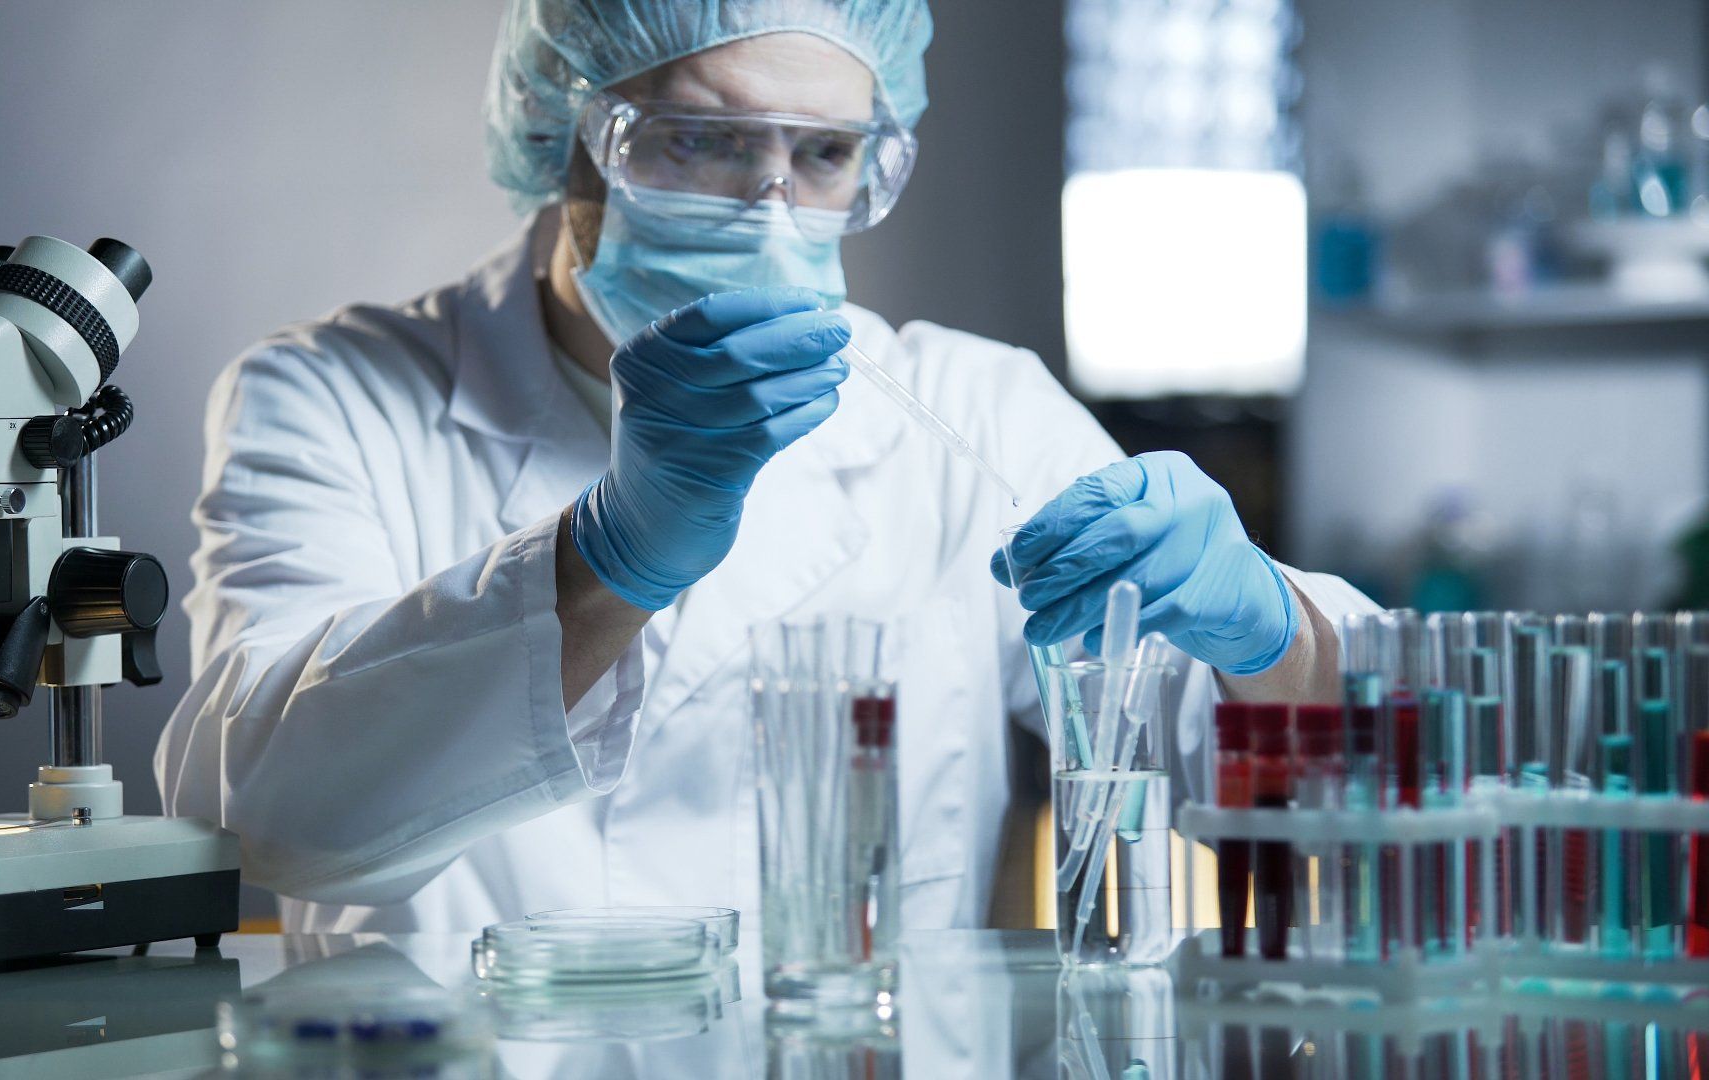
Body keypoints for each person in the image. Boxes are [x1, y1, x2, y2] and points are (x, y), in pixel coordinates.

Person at [154, 0, 1376, 934]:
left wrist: (1272, 633)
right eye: (701, 140)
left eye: (827, 155)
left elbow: (1308, 792)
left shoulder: (970, 410)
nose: (772, 210)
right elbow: (266, 817)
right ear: (563, 133)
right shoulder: (331, 395)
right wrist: (610, 556)